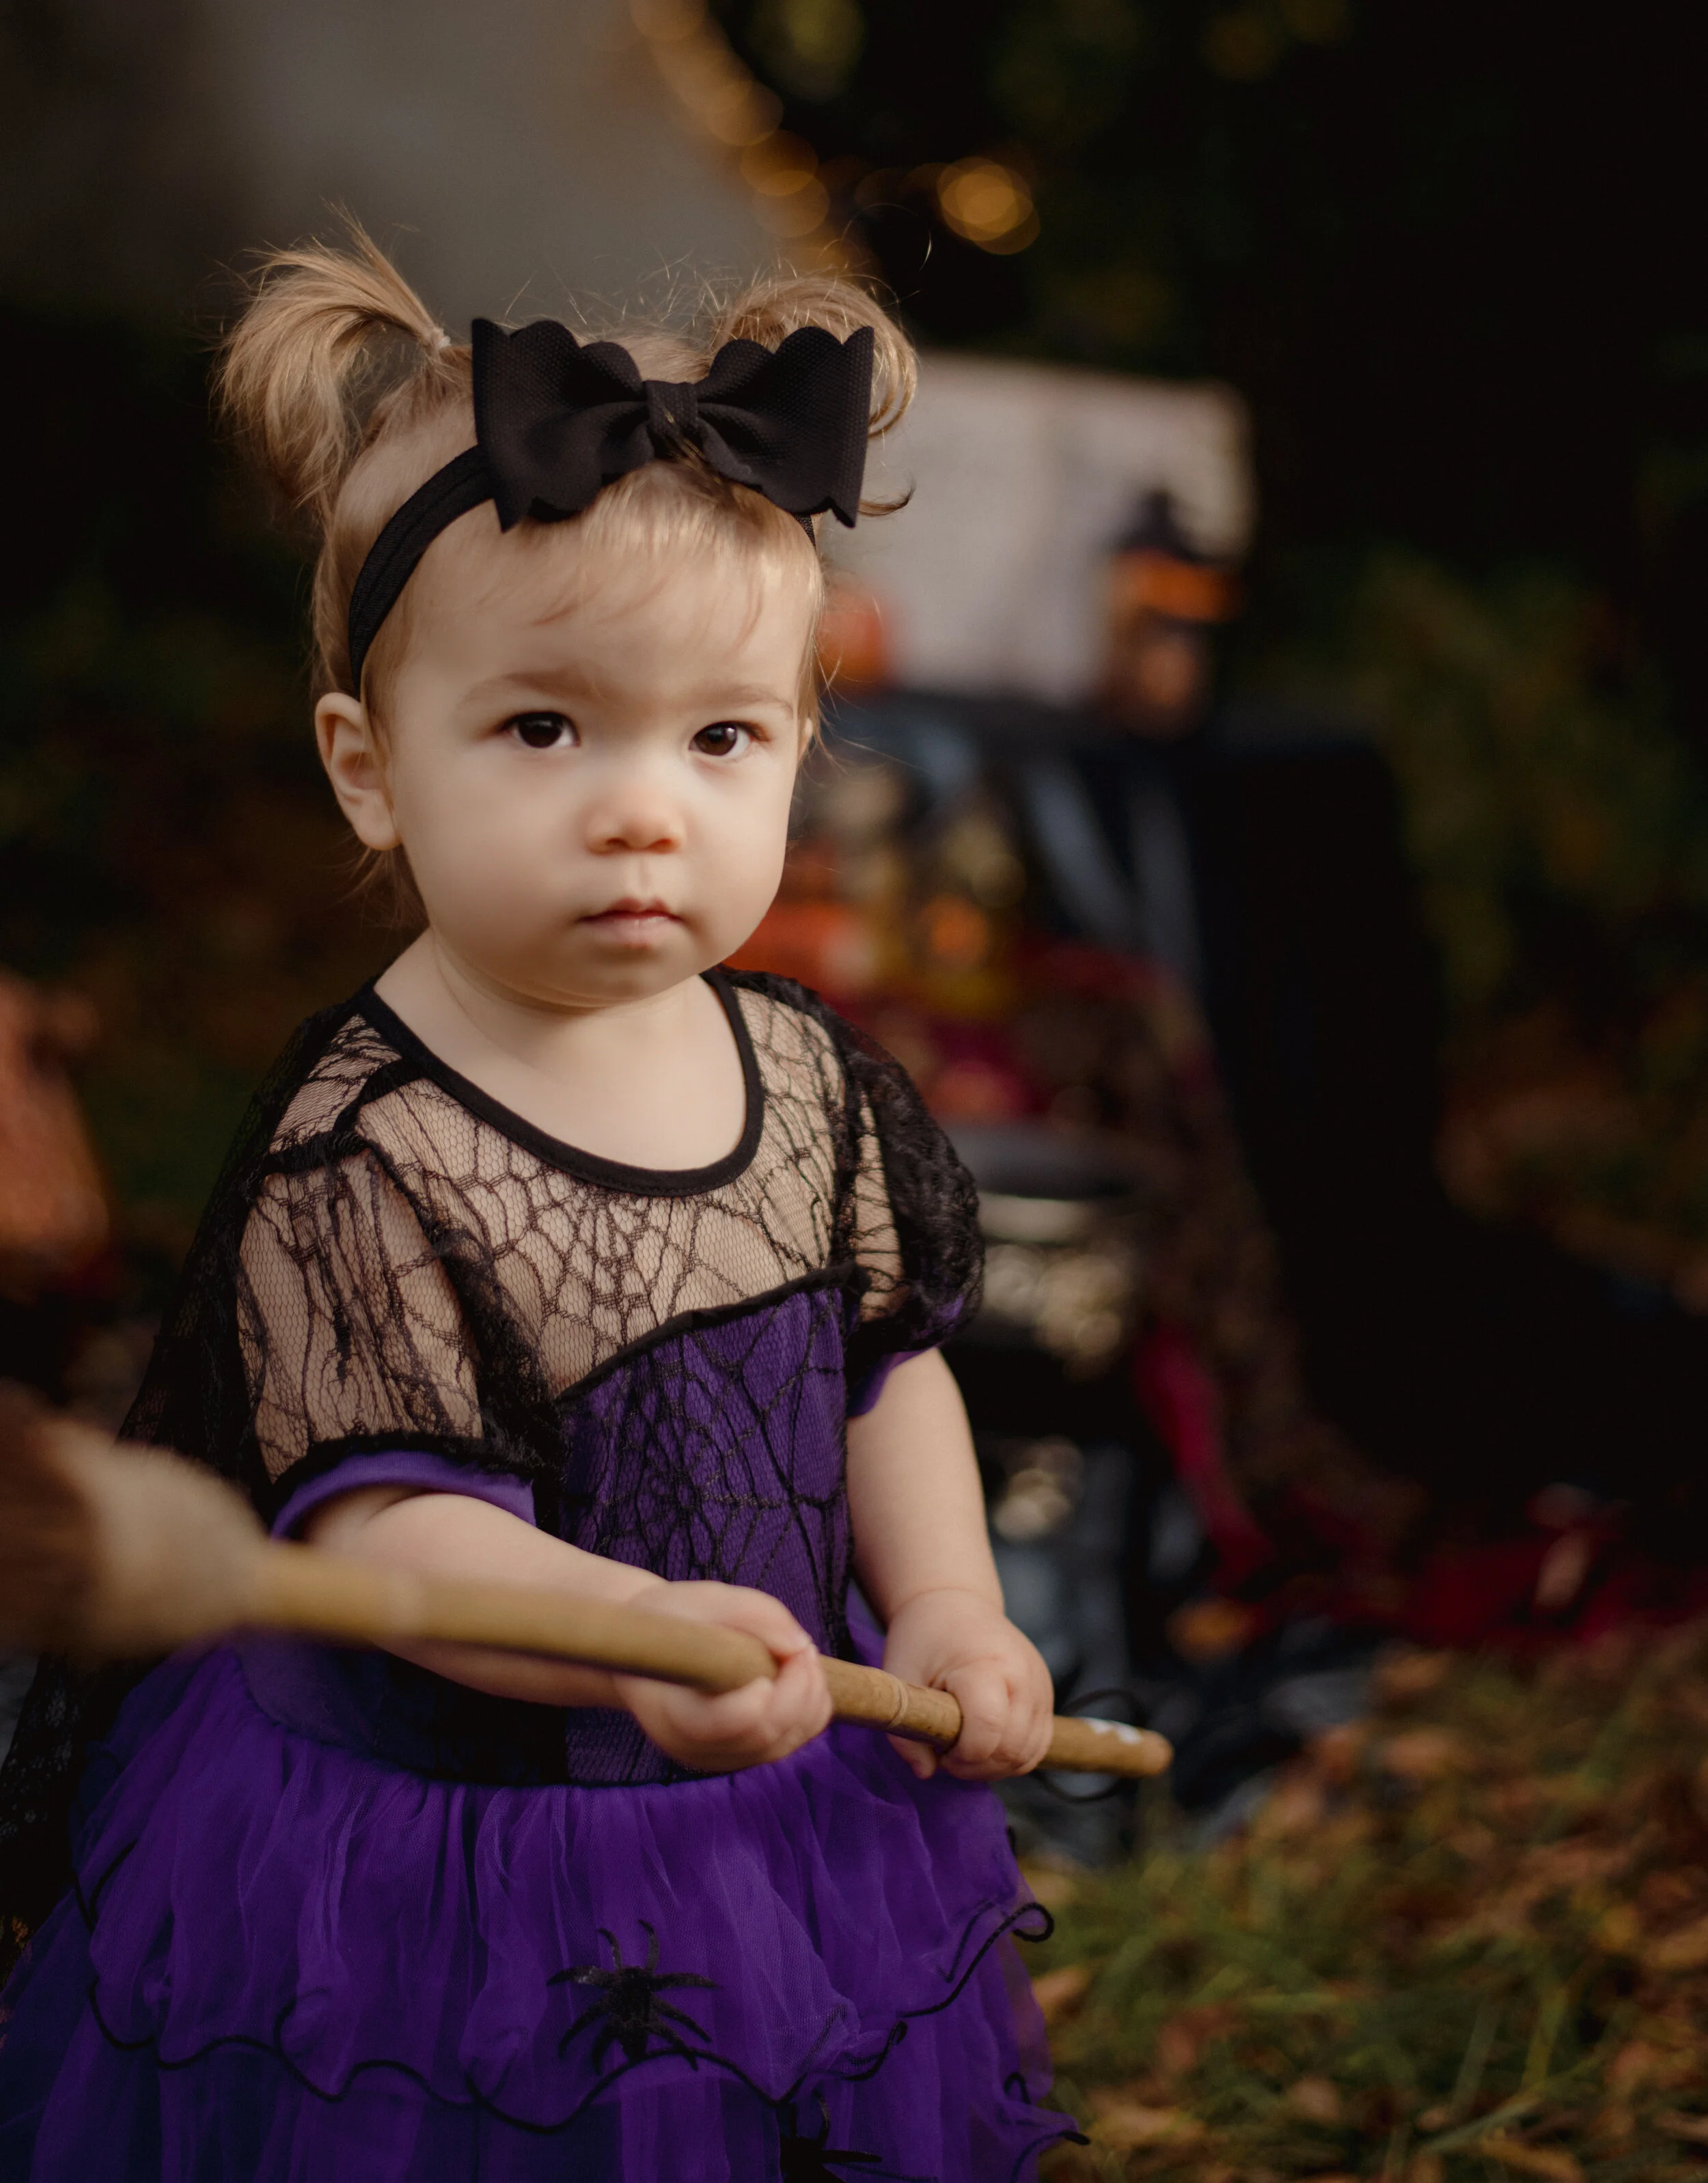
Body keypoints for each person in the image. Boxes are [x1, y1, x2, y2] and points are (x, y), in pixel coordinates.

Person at [0, 229, 1070, 2182]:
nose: (641, 807)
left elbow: (878, 1367)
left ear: (799, 762)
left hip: (769, 1796)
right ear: (368, 771)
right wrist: (627, 1633)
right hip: (461, 1852)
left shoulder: (810, 1080)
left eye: (719, 737)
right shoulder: (366, 1147)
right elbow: (401, 1531)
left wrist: (946, 1603)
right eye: (544, 728)